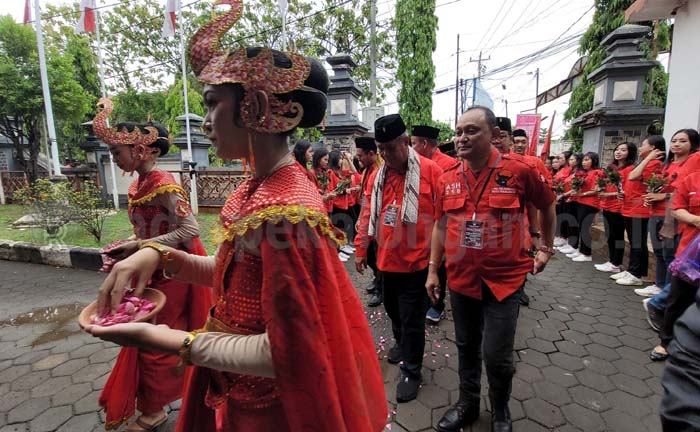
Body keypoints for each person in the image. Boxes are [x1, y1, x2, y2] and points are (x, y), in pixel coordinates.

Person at [85, 2, 387, 430]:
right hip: (237, 378)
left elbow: (288, 351)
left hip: (267, 400)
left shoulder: (285, 212)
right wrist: (158, 256)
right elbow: (233, 277)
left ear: (255, 107)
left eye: (212, 104)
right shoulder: (259, 186)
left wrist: (171, 341)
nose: (205, 122)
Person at [427, 106, 556, 432]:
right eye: (458, 132)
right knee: (467, 348)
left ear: (493, 135)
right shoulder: (448, 178)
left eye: (471, 131)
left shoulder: (520, 170)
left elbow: (547, 204)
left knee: (497, 356)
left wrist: (545, 247)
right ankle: (467, 404)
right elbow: (440, 226)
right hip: (461, 281)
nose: (461, 138)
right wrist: (432, 270)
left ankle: (501, 411)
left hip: (505, 281)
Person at [90, 99, 214, 431]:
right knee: (146, 339)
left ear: (144, 151)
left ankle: (154, 409)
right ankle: (155, 402)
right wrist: (132, 248)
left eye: (118, 151)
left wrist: (144, 247)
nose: (114, 157)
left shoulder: (164, 184)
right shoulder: (137, 184)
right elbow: (146, 231)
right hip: (150, 268)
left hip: (174, 271)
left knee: (154, 342)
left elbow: (190, 230)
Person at [355, 113, 442, 402]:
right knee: (393, 311)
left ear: (406, 142)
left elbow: (443, 221)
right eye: (380, 149)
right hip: (386, 261)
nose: (385, 155)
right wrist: (361, 247)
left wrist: (436, 266)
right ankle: (400, 341)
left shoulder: (431, 172)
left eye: (390, 148)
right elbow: (367, 213)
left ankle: (412, 371)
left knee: (412, 318)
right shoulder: (379, 176)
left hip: (417, 264)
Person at [411, 124, 457, 324]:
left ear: (424, 143)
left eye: (413, 143)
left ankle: (437, 305)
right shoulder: (413, 163)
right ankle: (423, 299)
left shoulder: (448, 164)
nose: (411, 148)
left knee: (439, 266)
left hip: (440, 225)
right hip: (418, 228)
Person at [612, 135, 666, 286]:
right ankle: (633, 270)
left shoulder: (653, 163)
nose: (641, 148)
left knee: (637, 242)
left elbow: (633, 176)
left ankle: (636, 273)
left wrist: (648, 159)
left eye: (644, 145)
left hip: (639, 209)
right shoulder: (646, 163)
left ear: (653, 148)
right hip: (631, 207)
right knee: (635, 240)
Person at [596, 142, 637, 273]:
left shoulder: (630, 169)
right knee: (610, 234)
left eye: (623, 150)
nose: (618, 152)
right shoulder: (611, 168)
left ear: (630, 153)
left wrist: (611, 194)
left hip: (618, 207)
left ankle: (616, 262)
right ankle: (611, 260)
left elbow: (624, 190)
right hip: (607, 204)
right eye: (617, 149)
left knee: (617, 235)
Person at [355, 134, 385, 308]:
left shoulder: (378, 172)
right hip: (368, 219)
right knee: (373, 258)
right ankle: (377, 279)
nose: (358, 159)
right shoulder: (367, 170)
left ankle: (380, 290)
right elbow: (364, 200)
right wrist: (360, 218)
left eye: (360, 156)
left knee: (377, 257)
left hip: (378, 224)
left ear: (372, 154)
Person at [567, 152, 602, 262]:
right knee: (581, 227)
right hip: (582, 202)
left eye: (587, 160)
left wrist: (582, 194)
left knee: (585, 228)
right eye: (583, 160)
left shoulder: (597, 172)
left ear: (594, 160)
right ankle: (581, 250)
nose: (584, 162)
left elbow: (596, 189)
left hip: (590, 203)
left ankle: (586, 253)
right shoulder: (585, 173)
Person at [553, 151, 573, 248]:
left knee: (565, 218)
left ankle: (565, 237)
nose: (559, 160)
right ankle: (560, 236)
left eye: (561, 158)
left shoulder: (570, 170)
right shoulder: (561, 170)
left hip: (566, 197)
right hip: (558, 196)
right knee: (559, 216)